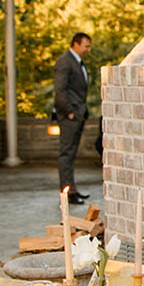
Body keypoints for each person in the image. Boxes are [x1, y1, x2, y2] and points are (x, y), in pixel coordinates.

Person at [54, 32, 92, 200]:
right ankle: (67, 192)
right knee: (67, 154)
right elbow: (60, 90)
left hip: (78, 113)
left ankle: (72, 189)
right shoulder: (65, 62)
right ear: (76, 44)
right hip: (70, 115)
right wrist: (69, 112)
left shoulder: (77, 62)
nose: (88, 50)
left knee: (71, 154)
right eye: (86, 46)